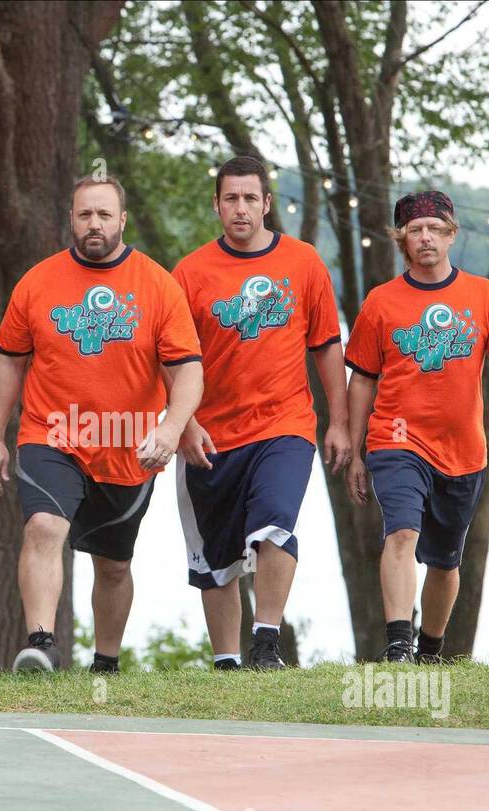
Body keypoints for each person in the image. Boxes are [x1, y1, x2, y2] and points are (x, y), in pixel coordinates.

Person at [0, 174, 203, 673]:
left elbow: (187, 367)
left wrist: (171, 428)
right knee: (43, 526)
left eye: (104, 214)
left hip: (127, 444)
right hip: (51, 434)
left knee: (114, 564)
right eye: (85, 215)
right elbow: (9, 361)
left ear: (122, 220)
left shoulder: (158, 285)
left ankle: (106, 663)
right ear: (72, 220)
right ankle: (41, 643)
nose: (94, 224)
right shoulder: (38, 282)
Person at [172, 155, 350, 670]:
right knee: (216, 564)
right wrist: (183, 423)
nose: (241, 209)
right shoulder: (190, 273)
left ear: (267, 204)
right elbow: (170, 359)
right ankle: (227, 664)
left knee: (275, 523)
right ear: (217, 205)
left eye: (251, 198)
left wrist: (338, 422)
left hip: (285, 425)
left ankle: (266, 642)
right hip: (210, 435)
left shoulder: (303, 263)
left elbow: (326, 347)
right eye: (231, 198)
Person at [343, 190, 489, 663]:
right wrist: (356, 448)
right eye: (415, 231)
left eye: (435, 229)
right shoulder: (381, 302)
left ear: (451, 235)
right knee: (401, 533)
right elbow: (361, 380)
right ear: (401, 239)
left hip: (464, 450)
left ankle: (430, 649)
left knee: (445, 561)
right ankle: (399, 644)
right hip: (396, 440)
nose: (425, 238)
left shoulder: (483, 295)